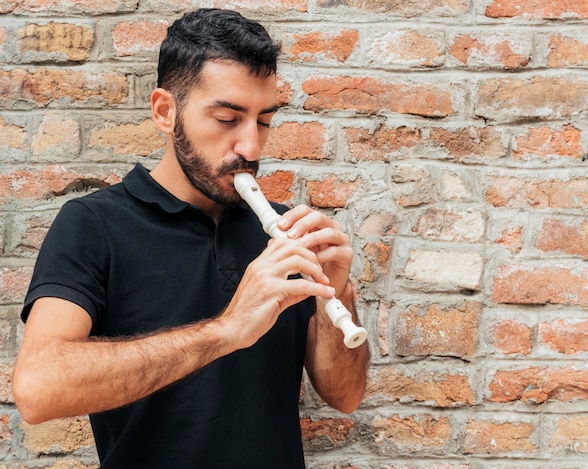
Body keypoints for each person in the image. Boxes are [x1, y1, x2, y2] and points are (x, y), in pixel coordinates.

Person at [12, 8, 369, 468]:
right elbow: (38, 390)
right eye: (226, 119)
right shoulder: (93, 224)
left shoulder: (284, 234)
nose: (252, 148)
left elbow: (345, 397)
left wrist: (335, 297)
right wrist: (226, 330)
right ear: (165, 111)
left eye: (263, 121)